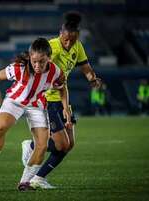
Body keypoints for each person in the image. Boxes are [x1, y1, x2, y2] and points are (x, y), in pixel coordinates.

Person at [0, 38, 72, 191]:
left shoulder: (55, 72)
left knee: (42, 146)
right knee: (1, 127)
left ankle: (25, 182)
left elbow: (62, 88)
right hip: (15, 101)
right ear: (30, 56)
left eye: (42, 62)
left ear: (49, 58)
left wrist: (65, 108)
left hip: (37, 105)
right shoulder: (19, 68)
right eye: (34, 61)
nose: (37, 65)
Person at [21, 11, 102, 189]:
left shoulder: (77, 46)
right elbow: (33, 63)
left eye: (72, 40)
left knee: (69, 145)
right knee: (62, 144)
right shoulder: (51, 47)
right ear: (60, 33)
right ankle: (33, 154)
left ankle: (37, 172)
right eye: (66, 39)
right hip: (47, 100)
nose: (68, 43)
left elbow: (86, 67)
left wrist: (92, 79)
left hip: (63, 98)